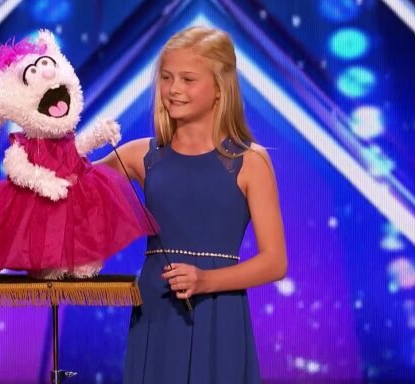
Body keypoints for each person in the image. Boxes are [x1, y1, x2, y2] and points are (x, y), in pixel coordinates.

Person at [96, 26, 288, 383]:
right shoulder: (139, 155)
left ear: (219, 88)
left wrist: (206, 280)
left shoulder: (250, 161)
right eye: (166, 77)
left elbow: (275, 262)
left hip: (219, 314)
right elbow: (70, 188)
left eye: (188, 79)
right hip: (156, 311)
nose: (173, 89)